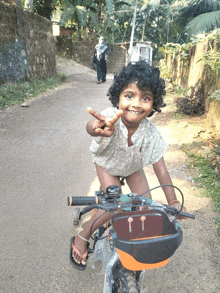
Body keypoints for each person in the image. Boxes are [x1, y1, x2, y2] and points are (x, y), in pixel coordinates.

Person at [70, 60, 188, 270]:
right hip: (107, 165)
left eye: (145, 98)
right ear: (118, 97)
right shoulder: (110, 119)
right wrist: (96, 126)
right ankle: (83, 235)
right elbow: (93, 126)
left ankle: (132, 243)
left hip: (133, 168)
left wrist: (173, 202)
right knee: (115, 205)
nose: (136, 103)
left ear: (154, 103)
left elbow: (161, 169)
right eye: (129, 95)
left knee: (147, 205)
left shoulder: (150, 132)